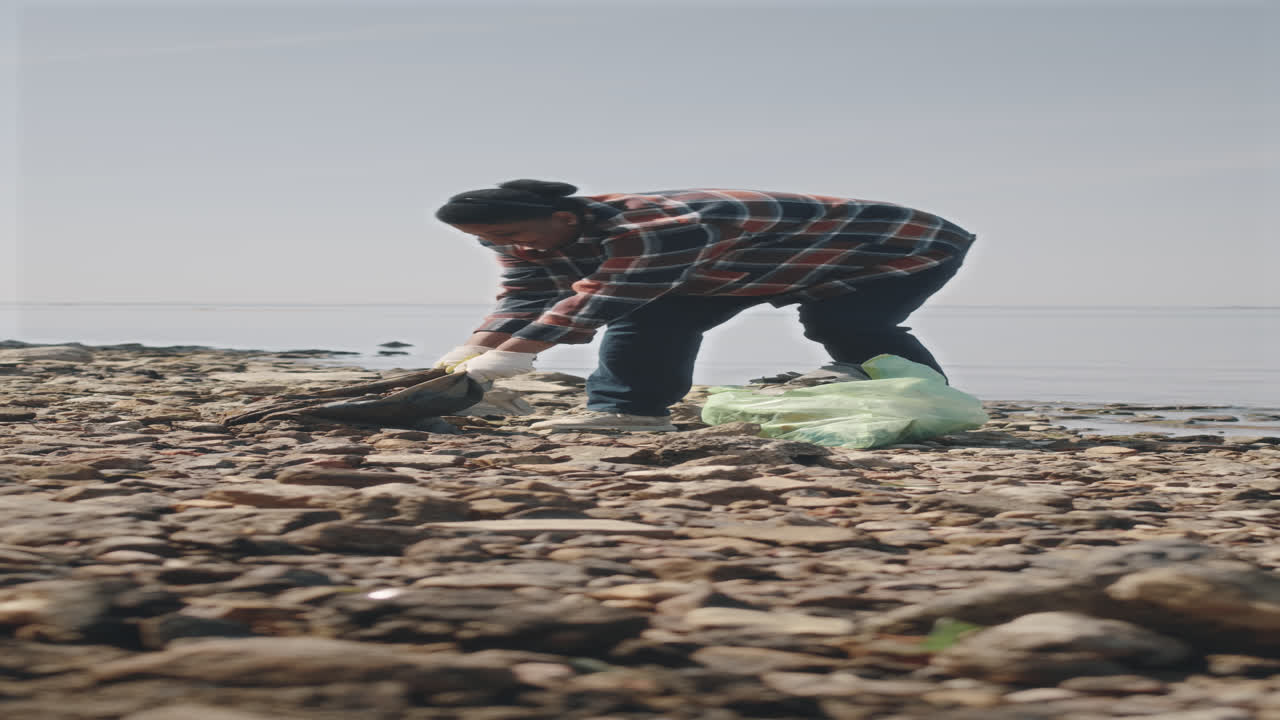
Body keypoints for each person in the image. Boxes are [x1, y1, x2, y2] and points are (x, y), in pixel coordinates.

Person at [432, 179, 975, 432]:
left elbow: (610, 294)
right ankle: (629, 413)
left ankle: (925, 396)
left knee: (849, 320)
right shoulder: (515, 237)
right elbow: (526, 294)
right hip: (746, 266)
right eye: (487, 239)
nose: (511, 246)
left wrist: (514, 357)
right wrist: (470, 352)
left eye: (511, 233)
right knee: (664, 315)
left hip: (893, 247)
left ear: (565, 219)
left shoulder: (655, 228)